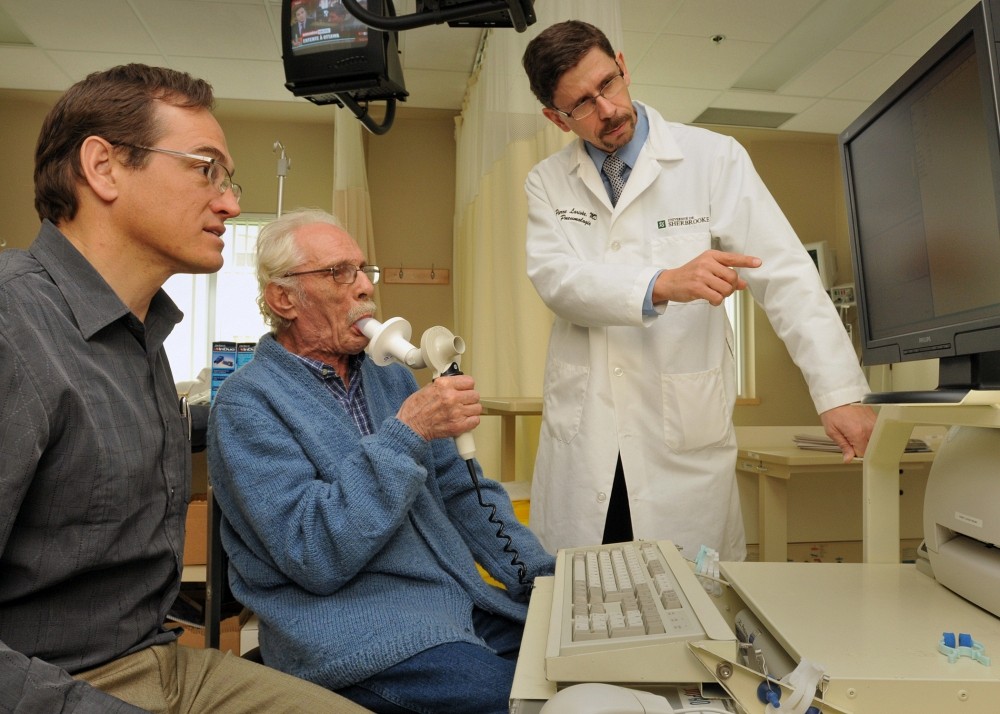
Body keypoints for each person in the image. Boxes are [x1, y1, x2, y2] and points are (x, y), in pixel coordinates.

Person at [0, 64, 371, 713]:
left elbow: (132, 438)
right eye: (206, 169)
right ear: (104, 167)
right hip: (52, 683)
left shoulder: (137, 337)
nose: (229, 202)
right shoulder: (13, 330)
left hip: (158, 658)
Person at [520, 21, 877, 561]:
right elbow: (557, 281)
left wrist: (839, 393)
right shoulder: (547, 182)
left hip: (680, 436)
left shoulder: (712, 157)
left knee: (693, 607)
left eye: (608, 85)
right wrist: (662, 283)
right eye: (582, 106)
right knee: (585, 606)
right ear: (555, 116)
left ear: (622, 63)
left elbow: (785, 275)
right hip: (588, 441)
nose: (608, 109)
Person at [206, 208, 555, 714]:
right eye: (337, 273)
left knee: (571, 666)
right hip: (352, 635)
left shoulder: (387, 376)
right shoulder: (246, 405)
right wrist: (409, 431)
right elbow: (314, 554)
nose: (364, 288)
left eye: (363, 270)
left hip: (455, 604)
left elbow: (461, 491)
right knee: (520, 702)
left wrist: (544, 580)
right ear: (283, 298)